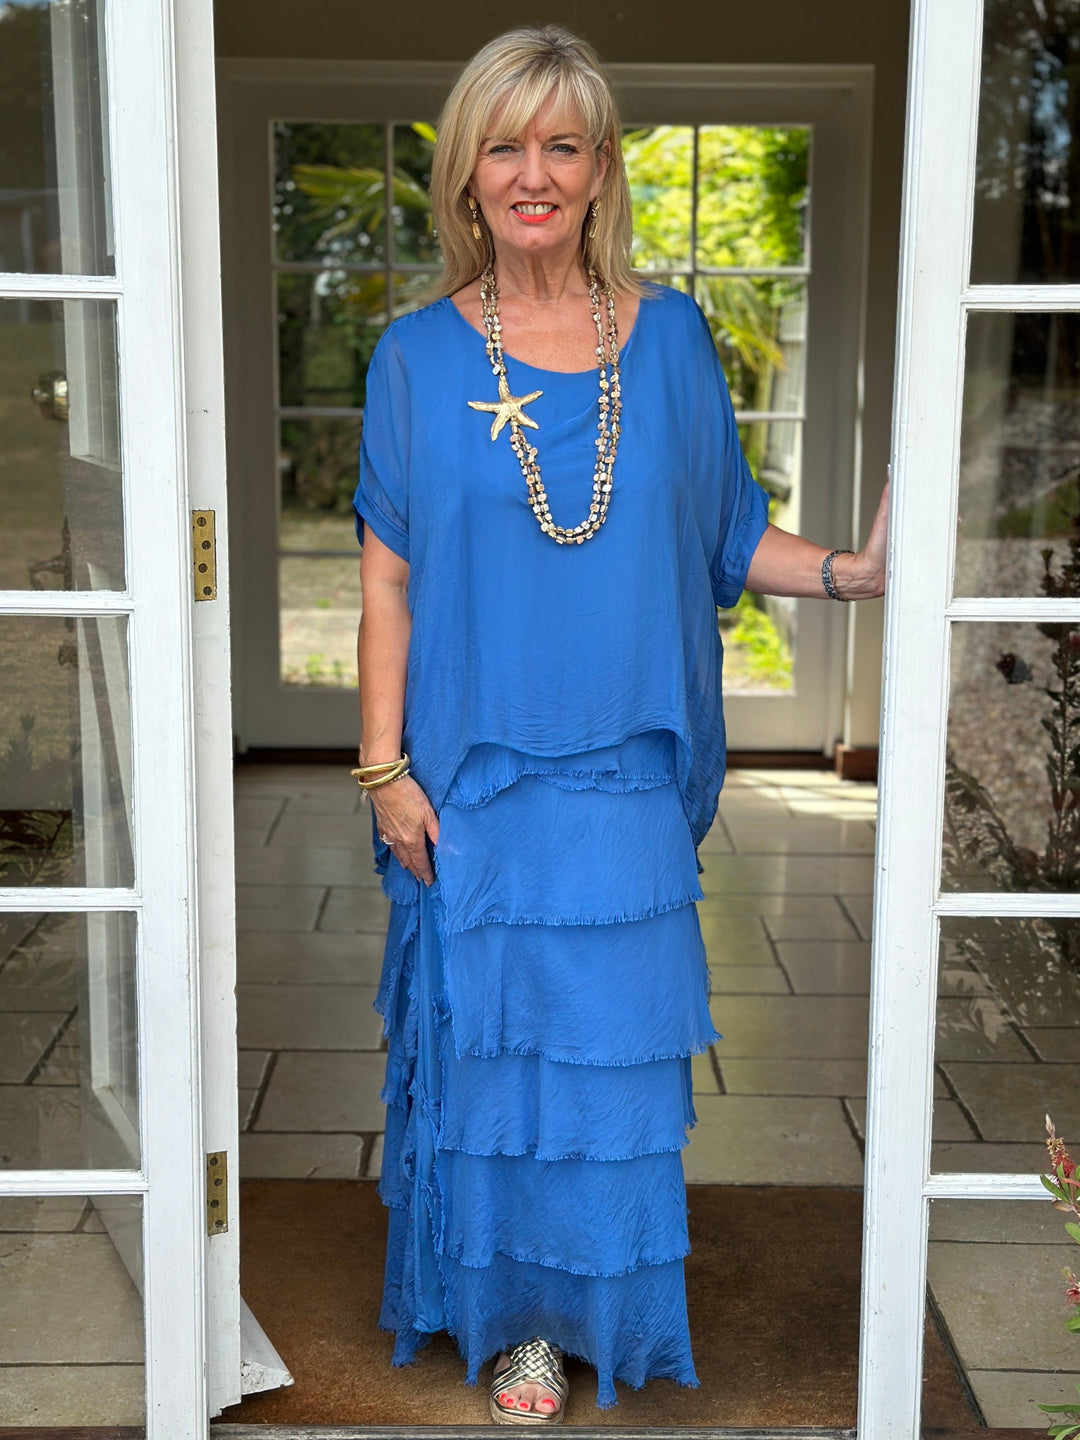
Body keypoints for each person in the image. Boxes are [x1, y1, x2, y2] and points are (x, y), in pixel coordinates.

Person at [352, 24, 887, 1426]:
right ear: (467, 175)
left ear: (599, 174)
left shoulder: (675, 342)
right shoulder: (410, 359)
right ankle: (523, 1328)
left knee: (609, 1074)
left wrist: (851, 573)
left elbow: (726, 535)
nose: (534, 173)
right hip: (469, 785)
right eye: (505, 145)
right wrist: (383, 766)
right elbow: (386, 586)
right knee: (497, 1066)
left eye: (564, 145)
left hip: (625, 783)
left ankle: (603, 1305)